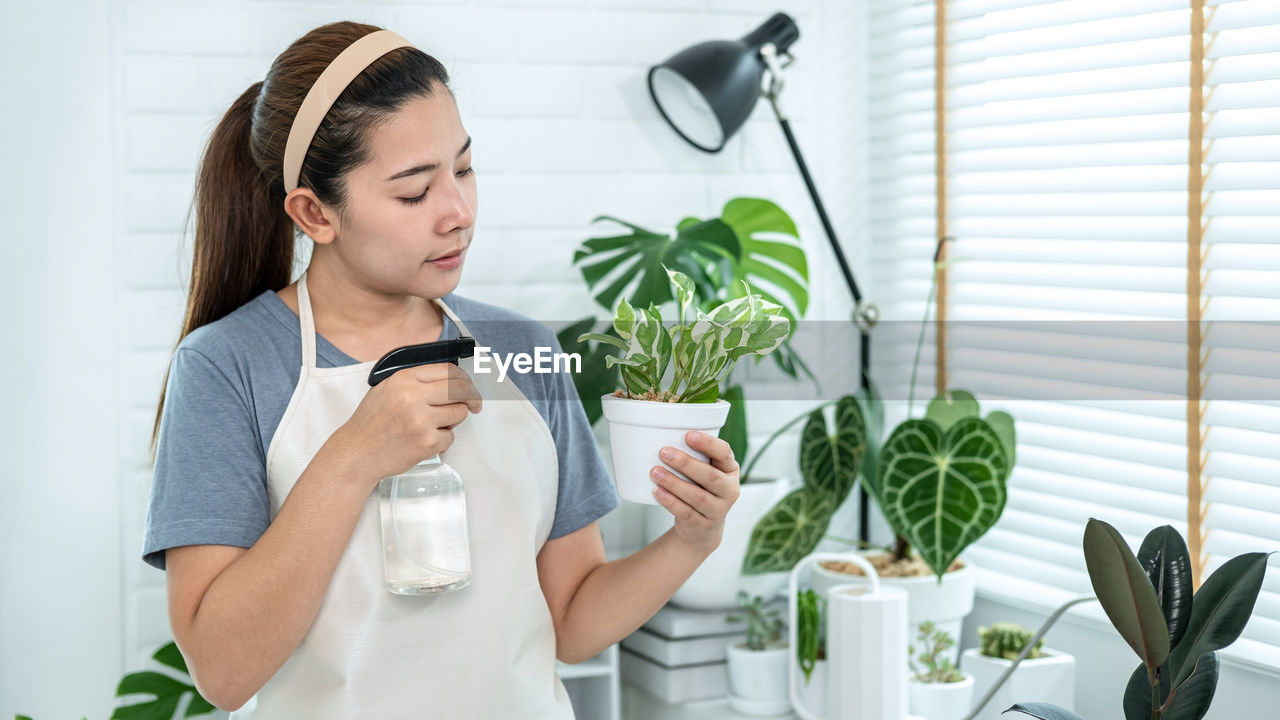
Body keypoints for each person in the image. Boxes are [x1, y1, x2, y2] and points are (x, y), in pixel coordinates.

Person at [141, 20, 741, 719]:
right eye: (413, 192)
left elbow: (573, 621)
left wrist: (694, 538)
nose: (458, 212)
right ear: (314, 213)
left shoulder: (521, 351)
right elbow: (223, 669)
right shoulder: (228, 367)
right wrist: (352, 459)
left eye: (463, 168)